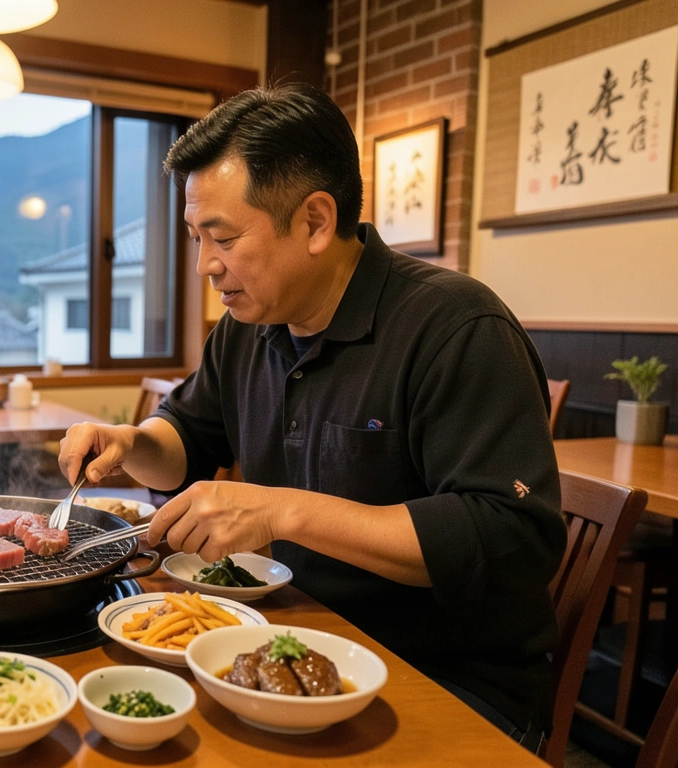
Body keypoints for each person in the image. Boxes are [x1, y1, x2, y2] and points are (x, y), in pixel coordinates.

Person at [58, 83, 565, 750]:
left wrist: (279, 513)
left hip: (447, 681)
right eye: (195, 237)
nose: (207, 265)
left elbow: (510, 536)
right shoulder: (247, 326)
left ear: (317, 221)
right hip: (288, 646)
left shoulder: (454, 325)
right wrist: (127, 442)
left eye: (224, 238)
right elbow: (185, 436)